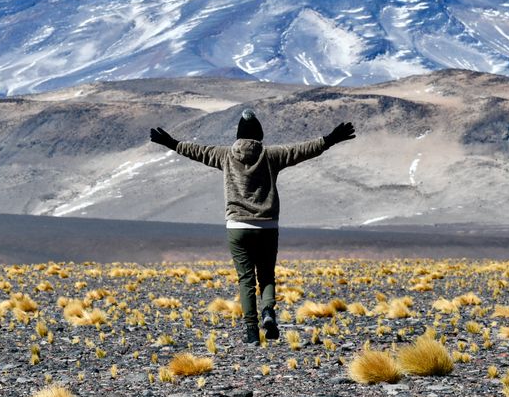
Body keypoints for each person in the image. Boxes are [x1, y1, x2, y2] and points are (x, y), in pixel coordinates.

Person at [149, 109, 356, 344]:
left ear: (238, 135)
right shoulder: (271, 155)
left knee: (245, 279)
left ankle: (251, 332)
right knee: (266, 276)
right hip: (267, 226)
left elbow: (197, 151)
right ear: (260, 134)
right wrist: (330, 139)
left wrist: (171, 143)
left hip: (237, 226)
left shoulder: (224, 155)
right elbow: (301, 150)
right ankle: (268, 311)